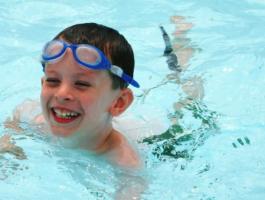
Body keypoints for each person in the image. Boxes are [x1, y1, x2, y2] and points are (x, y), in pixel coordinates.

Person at [2, 23, 141, 168]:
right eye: (53, 81)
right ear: (43, 84)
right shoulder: (35, 119)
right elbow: (15, 119)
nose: (61, 94)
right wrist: (8, 144)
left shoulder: (125, 164)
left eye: (81, 84)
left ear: (119, 102)